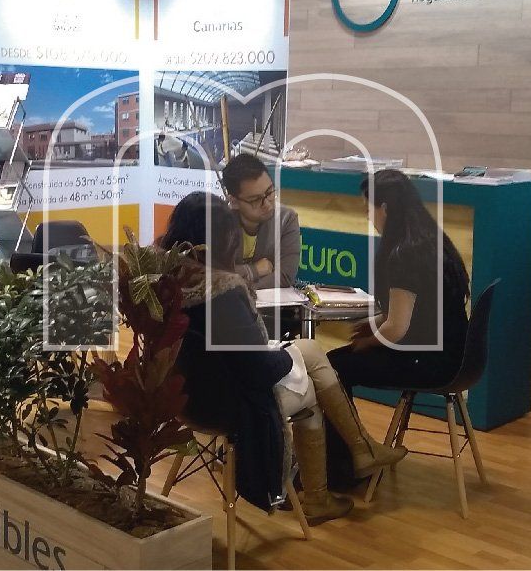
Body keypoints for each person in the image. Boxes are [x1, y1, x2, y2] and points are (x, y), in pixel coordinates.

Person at [161, 192, 406, 525]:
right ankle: (321, 493)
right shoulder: (223, 292)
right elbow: (258, 370)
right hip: (232, 405)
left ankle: (360, 450)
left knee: (309, 352)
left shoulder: (164, 282)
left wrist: (282, 352)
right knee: (311, 380)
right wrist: (287, 359)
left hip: (184, 398)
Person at [324, 168, 471, 486]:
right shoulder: (430, 239)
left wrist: (367, 340)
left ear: (385, 208)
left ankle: (345, 467)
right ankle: (356, 453)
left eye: (368, 207)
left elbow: (397, 328)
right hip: (455, 354)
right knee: (335, 363)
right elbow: (412, 313)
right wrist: (371, 326)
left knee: (330, 368)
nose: (367, 216)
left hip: (429, 362)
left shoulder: (404, 254)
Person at [220, 152, 300, 288]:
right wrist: (254, 270)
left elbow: (285, 276)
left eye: (270, 192)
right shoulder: (219, 222)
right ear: (234, 202)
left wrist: (240, 283)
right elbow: (213, 275)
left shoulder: (286, 219)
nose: (267, 204)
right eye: (255, 200)